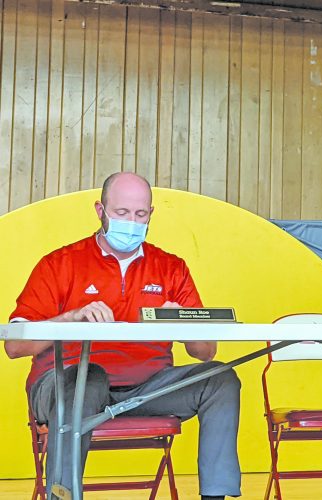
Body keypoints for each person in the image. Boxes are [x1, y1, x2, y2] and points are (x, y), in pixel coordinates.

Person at [3, 172, 241, 500]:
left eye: (140, 214)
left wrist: (179, 323)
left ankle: (214, 497)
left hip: (147, 390)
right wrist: (70, 318)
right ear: (100, 210)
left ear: (151, 214)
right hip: (66, 386)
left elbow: (205, 352)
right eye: (122, 213)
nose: (131, 222)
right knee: (89, 377)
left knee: (220, 378)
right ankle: (62, 495)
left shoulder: (171, 267)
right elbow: (14, 346)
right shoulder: (59, 263)